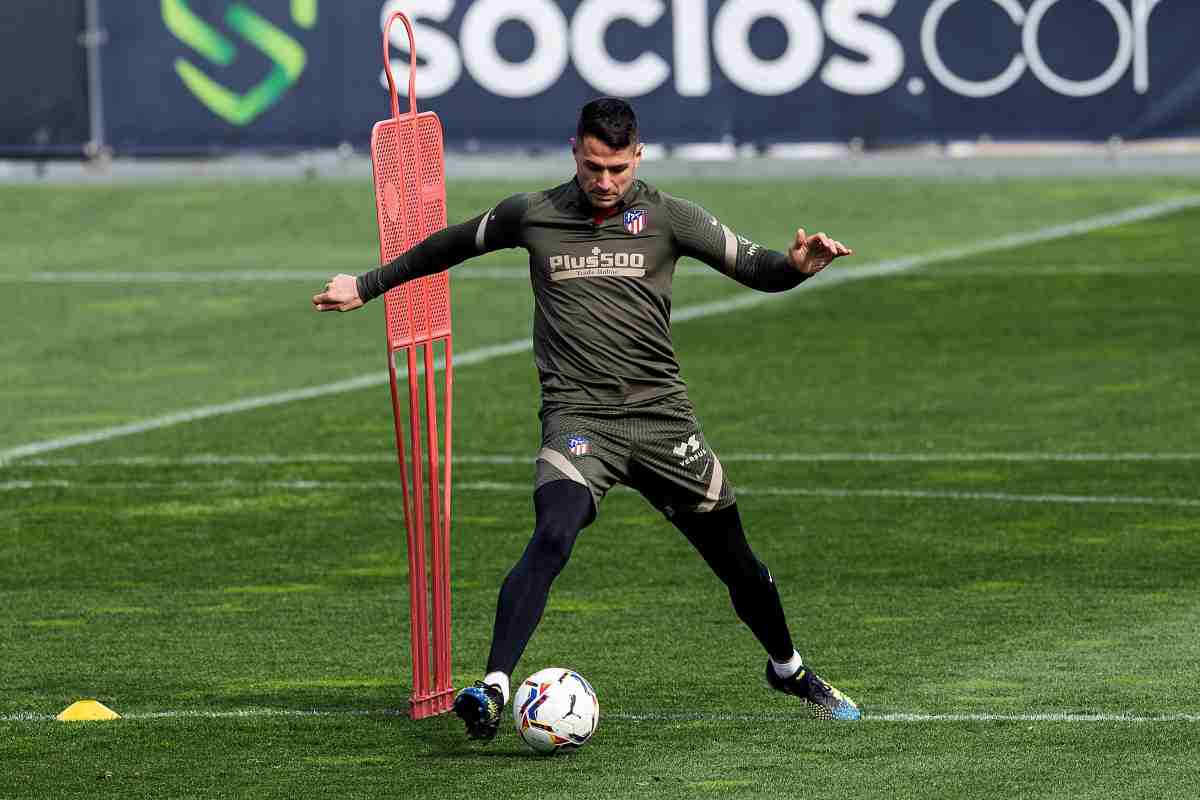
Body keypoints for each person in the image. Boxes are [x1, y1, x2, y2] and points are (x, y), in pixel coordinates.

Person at [313, 98, 860, 735]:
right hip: (579, 422)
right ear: (575, 151)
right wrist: (368, 283)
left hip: (663, 422)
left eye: (619, 169)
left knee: (735, 562)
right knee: (553, 533)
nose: (605, 182)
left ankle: (789, 670)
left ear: (639, 156)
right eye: (595, 166)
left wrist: (795, 268)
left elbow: (756, 266)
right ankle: (491, 688)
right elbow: (452, 244)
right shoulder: (532, 214)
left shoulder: (669, 217)